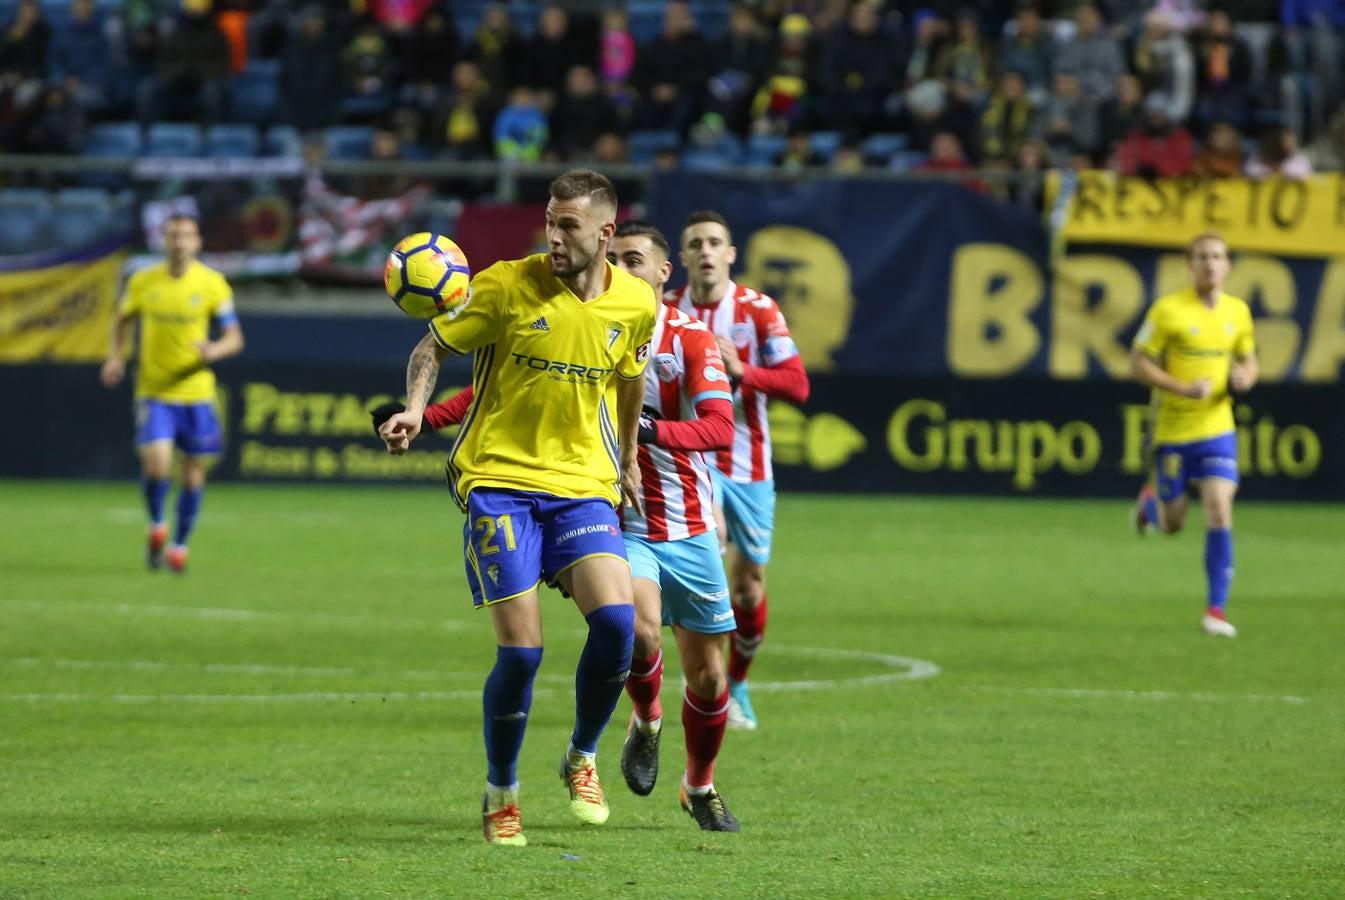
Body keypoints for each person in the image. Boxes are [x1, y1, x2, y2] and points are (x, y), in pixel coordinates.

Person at [379, 221, 742, 831]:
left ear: (657, 272)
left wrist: (629, 451)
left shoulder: (644, 316)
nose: (553, 234)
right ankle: (503, 793)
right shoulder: (509, 286)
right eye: (549, 220)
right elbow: (470, 376)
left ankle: (585, 754)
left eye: (566, 224)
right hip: (505, 486)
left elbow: (639, 392)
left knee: (625, 629)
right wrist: (417, 413)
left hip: (602, 494)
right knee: (528, 654)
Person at [664, 211, 810, 730]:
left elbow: (798, 386)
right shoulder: (666, 310)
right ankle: (707, 677)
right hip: (690, 460)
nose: (705, 251)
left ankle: (739, 681)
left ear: (730, 253)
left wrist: (742, 370)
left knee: (748, 586)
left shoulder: (758, 310)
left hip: (748, 463)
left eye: (714, 243)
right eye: (695, 243)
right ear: (681, 259)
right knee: (708, 558)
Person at [99, 215, 244, 573]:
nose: (179, 242)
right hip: (154, 391)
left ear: (197, 243)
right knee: (158, 465)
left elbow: (234, 337)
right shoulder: (143, 281)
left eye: (186, 236)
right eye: (173, 235)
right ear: (163, 241)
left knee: (193, 474)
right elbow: (121, 320)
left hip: (196, 394)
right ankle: (157, 524)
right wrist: (115, 356)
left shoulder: (212, 284)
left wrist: (214, 350)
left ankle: (178, 546)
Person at [1129, 232, 1256, 638]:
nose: (1210, 264)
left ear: (1228, 263)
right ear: (1190, 264)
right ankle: (1151, 507)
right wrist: (1182, 388)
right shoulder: (1168, 310)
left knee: (1219, 507)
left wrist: (1245, 377)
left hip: (1217, 426)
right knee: (1174, 523)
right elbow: (1138, 362)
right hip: (1173, 429)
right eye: (1202, 257)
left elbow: (1249, 360)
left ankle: (1215, 610)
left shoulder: (1238, 312)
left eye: (1217, 256)